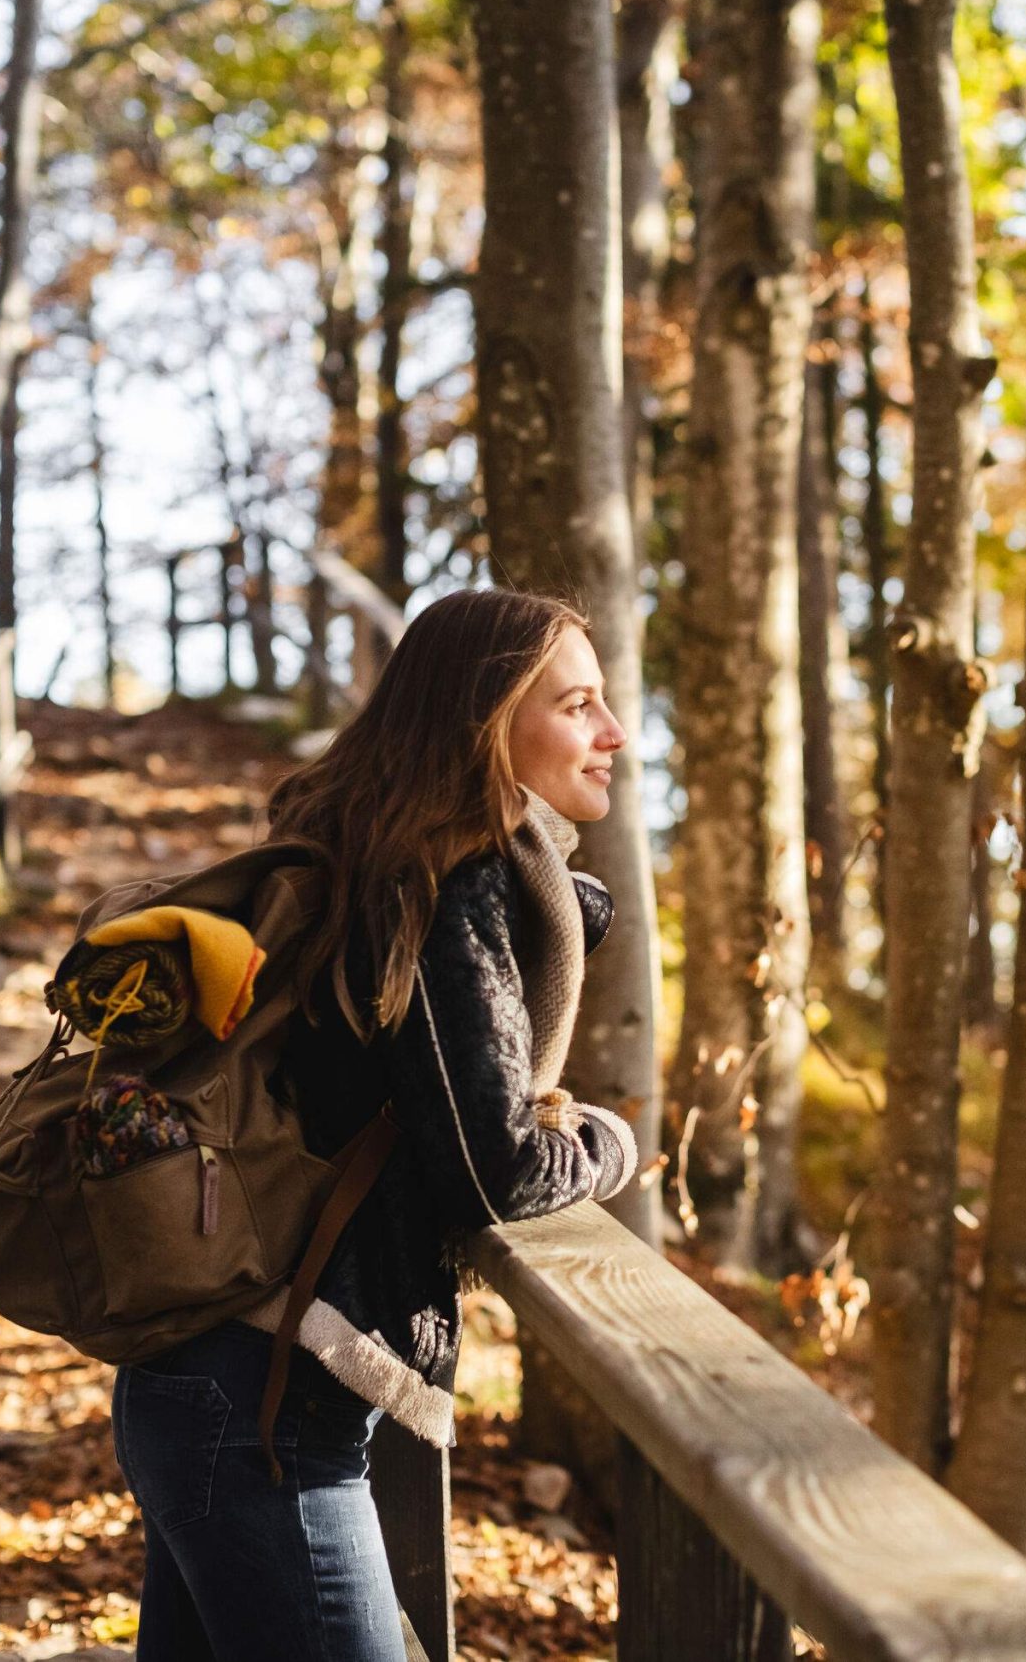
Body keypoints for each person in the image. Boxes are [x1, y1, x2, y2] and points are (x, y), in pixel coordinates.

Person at [108, 587, 642, 1661]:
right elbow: (495, 1171)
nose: (612, 731)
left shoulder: (380, 857)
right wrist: (610, 1143)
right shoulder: (446, 881)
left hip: (213, 1382)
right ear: (489, 721)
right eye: (577, 704)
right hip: (261, 1410)